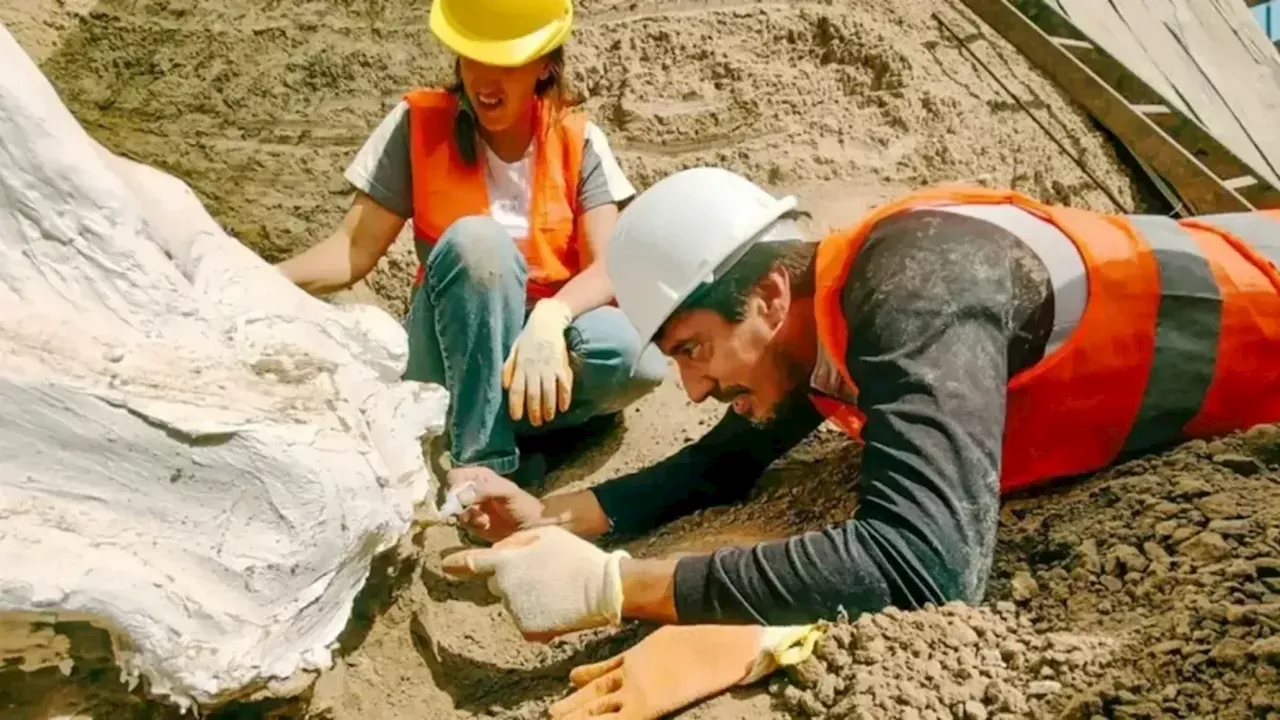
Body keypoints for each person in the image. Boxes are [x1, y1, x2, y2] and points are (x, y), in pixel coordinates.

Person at [441, 167, 1280, 718]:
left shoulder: (916, 288)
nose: (691, 389)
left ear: (768, 294)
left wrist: (618, 589)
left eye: (692, 350)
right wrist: (550, 517)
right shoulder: (814, 325)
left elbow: (928, 564)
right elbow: (722, 463)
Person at [276, 0, 666, 487]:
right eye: (472, 57)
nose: (485, 79)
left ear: (545, 65)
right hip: (444, 348)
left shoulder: (577, 139)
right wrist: (257, 279)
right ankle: (484, 464)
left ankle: (511, 425)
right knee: (480, 242)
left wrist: (550, 318)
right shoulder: (417, 122)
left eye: (505, 62)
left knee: (634, 356)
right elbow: (353, 249)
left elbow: (607, 267)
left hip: (539, 349)